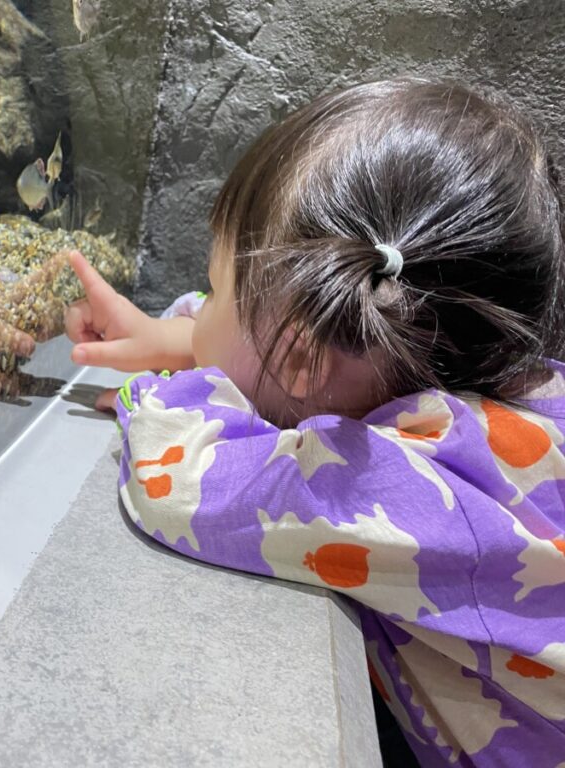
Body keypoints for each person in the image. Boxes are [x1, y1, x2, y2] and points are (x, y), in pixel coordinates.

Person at [64, 78, 565, 767]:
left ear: (300, 357)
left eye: (215, 291)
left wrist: (157, 388)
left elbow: (180, 486)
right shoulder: (510, 406)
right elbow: (264, 353)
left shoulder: (409, 491)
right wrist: (178, 337)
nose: (201, 306)